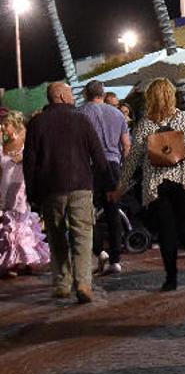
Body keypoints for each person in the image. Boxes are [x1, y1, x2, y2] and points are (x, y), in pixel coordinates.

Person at [110, 78, 185, 291]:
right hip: (184, 180)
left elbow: (133, 159)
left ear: (151, 98)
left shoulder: (146, 124)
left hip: (158, 184)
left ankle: (171, 278)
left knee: (167, 230)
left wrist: (121, 186)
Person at [24, 82, 111, 303]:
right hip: (81, 186)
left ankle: (62, 283)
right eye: (70, 93)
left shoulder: (36, 123)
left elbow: (30, 161)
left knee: (56, 236)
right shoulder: (81, 120)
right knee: (82, 235)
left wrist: (32, 192)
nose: (73, 97)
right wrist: (104, 181)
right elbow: (99, 156)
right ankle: (83, 283)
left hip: (51, 189)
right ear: (61, 96)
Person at [79, 80, 131, 274]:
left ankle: (99, 251)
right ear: (103, 93)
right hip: (113, 167)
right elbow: (126, 145)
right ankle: (116, 260)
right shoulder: (117, 114)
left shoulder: (81, 114)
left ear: (86, 94)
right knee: (112, 212)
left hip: (90, 168)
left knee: (88, 212)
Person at [0, 110, 50, 277]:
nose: (3, 127)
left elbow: (35, 157)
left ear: (14, 124)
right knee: (8, 222)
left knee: (20, 221)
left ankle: (24, 259)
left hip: (20, 184)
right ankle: (13, 259)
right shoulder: (3, 143)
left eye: (6, 124)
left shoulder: (26, 138)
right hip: (5, 185)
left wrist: (22, 157)